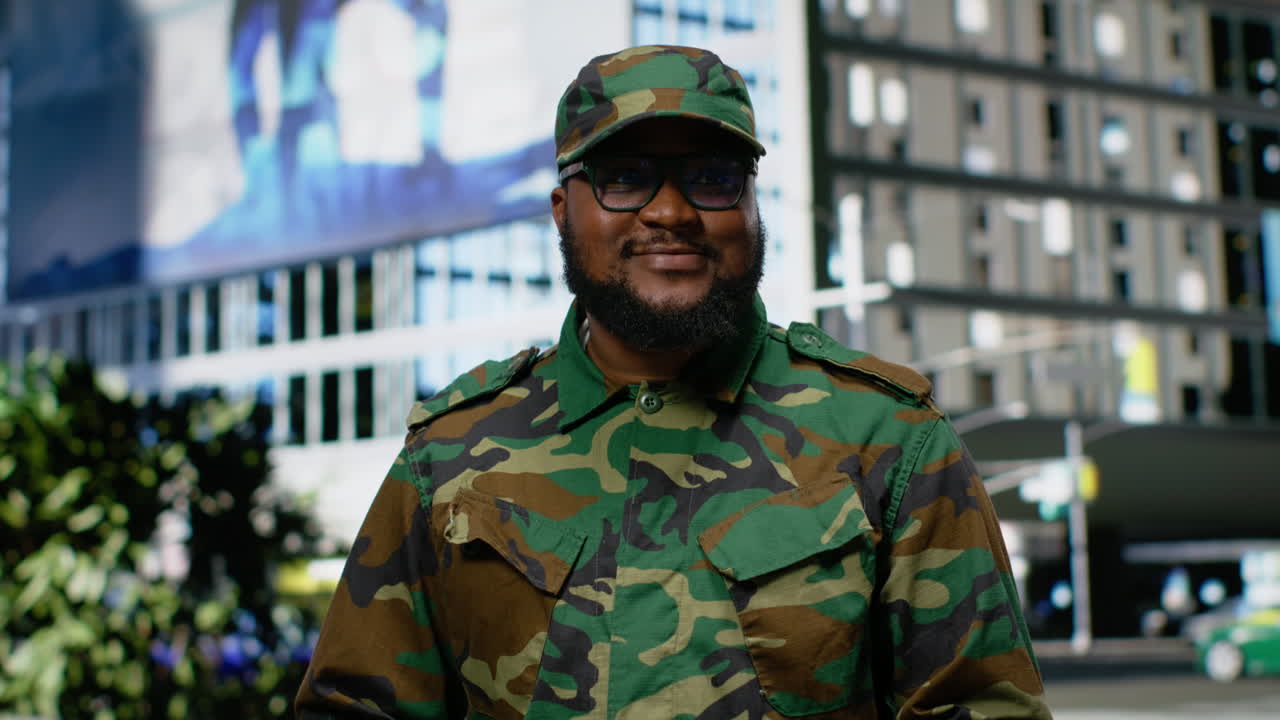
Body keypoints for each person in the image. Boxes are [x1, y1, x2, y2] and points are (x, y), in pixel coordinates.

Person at [296, 45, 1052, 719]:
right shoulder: (452, 455)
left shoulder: (887, 441)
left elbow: (981, 705)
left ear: (753, 207)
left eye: (712, 178)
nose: (670, 211)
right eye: (624, 177)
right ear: (563, 211)